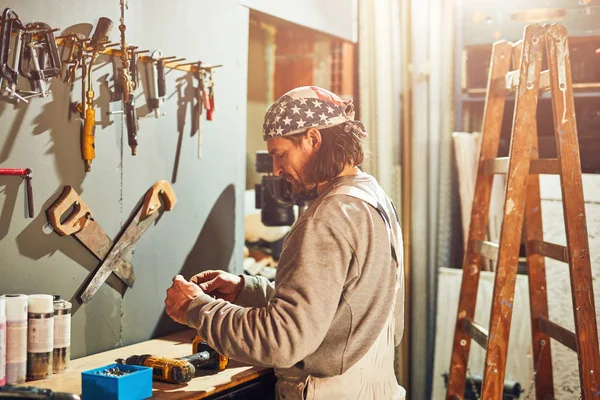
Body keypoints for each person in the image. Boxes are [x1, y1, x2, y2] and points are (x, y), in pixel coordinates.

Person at [165, 86, 406, 400]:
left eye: (280, 154)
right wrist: (245, 290)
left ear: (312, 140)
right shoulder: (372, 198)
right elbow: (339, 306)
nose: (277, 169)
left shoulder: (328, 217)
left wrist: (196, 308)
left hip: (328, 392)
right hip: (374, 386)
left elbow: (281, 341)